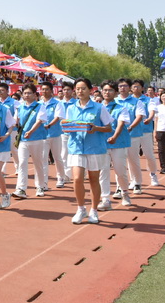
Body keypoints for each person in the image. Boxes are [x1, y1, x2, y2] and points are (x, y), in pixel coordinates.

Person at [65, 77, 114, 225]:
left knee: (93, 179)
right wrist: (67, 127)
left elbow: (109, 128)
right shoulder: (71, 108)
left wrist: (96, 128)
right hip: (76, 147)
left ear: (90, 90)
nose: (80, 91)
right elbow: (67, 126)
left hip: (95, 147)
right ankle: (81, 209)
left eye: (83, 88)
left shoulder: (99, 108)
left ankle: (94, 210)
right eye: (78, 89)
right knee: (77, 178)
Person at [98, 80, 133, 210]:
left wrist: (114, 137)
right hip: (102, 144)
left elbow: (120, 124)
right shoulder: (97, 107)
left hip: (118, 143)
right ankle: (105, 199)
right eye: (105, 90)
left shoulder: (121, 108)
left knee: (120, 171)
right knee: (103, 172)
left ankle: (125, 193)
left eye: (110, 90)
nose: (107, 92)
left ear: (116, 92)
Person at [12, 84, 48, 199]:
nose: (27, 95)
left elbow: (39, 120)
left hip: (37, 139)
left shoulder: (40, 106)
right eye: (25, 93)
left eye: (29, 93)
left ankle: (40, 186)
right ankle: (21, 188)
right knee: (22, 163)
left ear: (34, 95)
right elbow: (14, 121)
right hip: (23, 140)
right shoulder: (20, 107)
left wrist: (31, 131)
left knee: (38, 163)